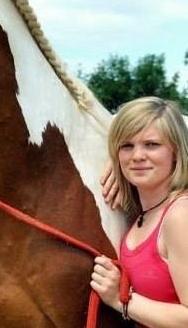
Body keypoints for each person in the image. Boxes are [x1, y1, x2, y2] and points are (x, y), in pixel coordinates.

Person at [91, 96, 188, 327]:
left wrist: (120, 299)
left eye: (152, 145)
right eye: (127, 146)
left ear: (175, 151)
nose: (137, 156)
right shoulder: (141, 215)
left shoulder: (179, 215)